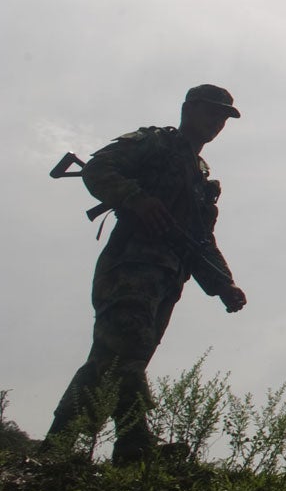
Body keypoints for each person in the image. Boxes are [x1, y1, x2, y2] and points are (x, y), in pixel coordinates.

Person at [44, 84, 249, 464]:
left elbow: (201, 241)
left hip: (167, 281)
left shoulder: (200, 178)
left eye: (223, 117)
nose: (217, 122)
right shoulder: (155, 143)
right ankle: (136, 444)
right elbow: (101, 168)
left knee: (109, 359)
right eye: (211, 112)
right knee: (129, 350)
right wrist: (135, 198)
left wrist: (224, 285)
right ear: (188, 109)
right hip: (131, 266)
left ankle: (59, 445)